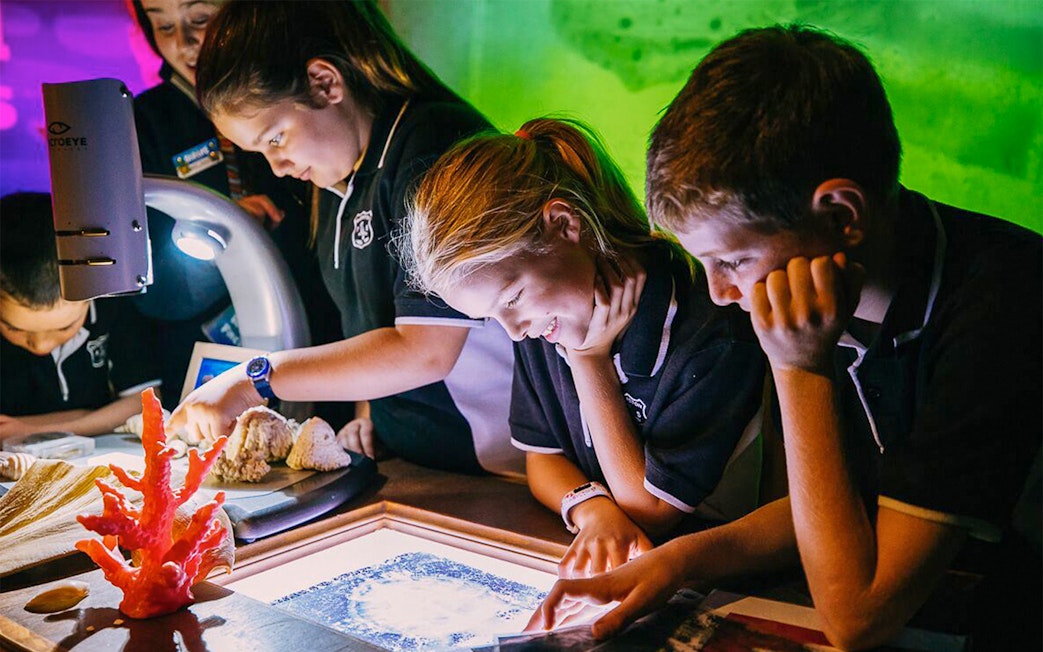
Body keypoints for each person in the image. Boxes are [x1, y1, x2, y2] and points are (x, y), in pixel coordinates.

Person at [526, 25, 1042, 650]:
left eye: (733, 261)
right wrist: (674, 565)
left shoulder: (1001, 305)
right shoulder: (820, 293)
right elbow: (815, 507)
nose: (717, 293)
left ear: (841, 216)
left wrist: (799, 367)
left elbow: (856, 617)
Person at [168, 0, 522, 477]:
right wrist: (368, 410)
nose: (278, 168)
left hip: (502, 465)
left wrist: (255, 379)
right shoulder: (338, 180)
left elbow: (427, 349)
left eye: (275, 138)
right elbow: (371, 325)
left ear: (324, 82)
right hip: (426, 463)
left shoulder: (431, 146)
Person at [403, 118, 766, 577]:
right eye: (494, 317)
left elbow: (652, 508)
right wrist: (592, 509)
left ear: (564, 224)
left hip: (734, 575)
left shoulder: (709, 328)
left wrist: (589, 361)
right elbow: (542, 456)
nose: (513, 331)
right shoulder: (545, 322)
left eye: (511, 299)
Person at [128, 0, 349, 429]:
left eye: (200, 20)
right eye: (162, 26)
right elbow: (154, 290)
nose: (184, 43)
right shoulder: (146, 121)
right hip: (206, 360)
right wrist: (232, 233)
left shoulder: (301, 101)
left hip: (322, 343)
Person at [0, 192, 162, 439]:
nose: (41, 344)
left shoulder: (112, 308)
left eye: (65, 328)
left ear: (93, 295)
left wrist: (33, 430)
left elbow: (144, 403)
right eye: (14, 329)